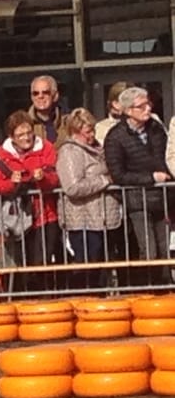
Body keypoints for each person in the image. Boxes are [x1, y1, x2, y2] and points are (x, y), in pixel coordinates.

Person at [0, 110, 60, 291]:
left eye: (29, 132)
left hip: (45, 215)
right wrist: (11, 183)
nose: (26, 137)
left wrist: (42, 177)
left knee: (41, 263)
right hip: (18, 220)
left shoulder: (46, 148)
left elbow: (55, 178)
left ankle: (45, 300)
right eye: (20, 134)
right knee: (21, 265)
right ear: (11, 137)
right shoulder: (3, 155)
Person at [105, 86, 171, 285]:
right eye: (141, 106)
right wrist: (151, 178)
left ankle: (167, 290)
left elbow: (165, 157)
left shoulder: (156, 128)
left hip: (162, 199)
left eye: (148, 103)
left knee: (164, 249)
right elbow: (118, 174)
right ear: (127, 111)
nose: (147, 109)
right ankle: (149, 290)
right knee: (148, 249)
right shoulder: (115, 137)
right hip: (137, 201)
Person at [56, 108, 121, 289]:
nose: (92, 135)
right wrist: (104, 180)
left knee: (101, 267)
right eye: (87, 132)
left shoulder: (98, 148)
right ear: (75, 132)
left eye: (92, 130)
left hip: (102, 218)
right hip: (83, 219)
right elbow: (72, 187)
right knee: (87, 266)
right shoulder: (69, 152)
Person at [29, 75, 67, 146]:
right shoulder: (25, 124)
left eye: (45, 92)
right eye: (35, 93)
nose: (40, 96)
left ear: (55, 96)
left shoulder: (68, 123)